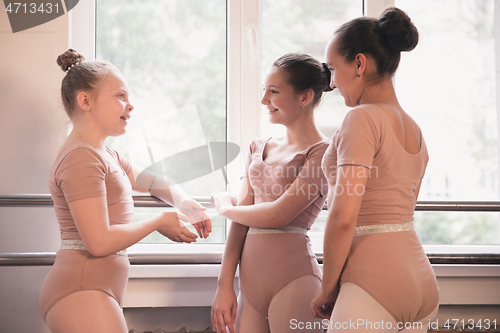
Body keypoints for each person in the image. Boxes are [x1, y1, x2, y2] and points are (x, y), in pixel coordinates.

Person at [39, 49, 211, 333]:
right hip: (80, 291)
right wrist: (158, 222)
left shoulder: (104, 154)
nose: (130, 106)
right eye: (120, 96)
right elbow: (99, 242)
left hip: (94, 290)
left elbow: (154, 181)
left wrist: (184, 202)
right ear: (86, 101)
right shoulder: (81, 157)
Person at [310, 7, 439, 332]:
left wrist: (326, 289)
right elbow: (402, 212)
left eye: (333, 69)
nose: (333, 82)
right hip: (420, 281)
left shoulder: (362, 118)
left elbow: (343, 218)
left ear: (359, 63)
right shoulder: (415, 129)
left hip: (374, 281)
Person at [211, 53, 332, 333]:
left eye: (274, 92)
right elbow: (241, 221)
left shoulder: (323, 152)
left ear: (305, 97)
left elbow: (280, 214)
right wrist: (224, 284)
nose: (264, 100)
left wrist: (225, 208)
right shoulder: (257, 146)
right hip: (250, 290)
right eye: (264, 90)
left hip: (296, 281)